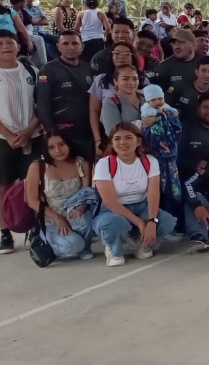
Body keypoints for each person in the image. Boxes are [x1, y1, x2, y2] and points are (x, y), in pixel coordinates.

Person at [0, 29, 42, 254]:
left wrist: (29, 130)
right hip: (0, 138)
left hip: (32, 136)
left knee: (34, 184)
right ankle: (5, 234)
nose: (6, 46)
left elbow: (40, 106)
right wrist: (8, 134)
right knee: (3, 185)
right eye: (0, 43)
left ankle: (36, 230)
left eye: (10, 42)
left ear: (18, 46)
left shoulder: (32, 71)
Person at [91, 123, 178, 266]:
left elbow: (153, 193)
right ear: (111, 143)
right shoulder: (104, 164)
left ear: (138, 141)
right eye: (117, 139)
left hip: (141, 207)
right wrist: (139, 222)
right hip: (112, 210)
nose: (122, 142)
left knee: (167, 221)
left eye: (128, 137)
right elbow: (109, 202)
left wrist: (152, 221)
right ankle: (112, 246)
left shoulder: (150, 161)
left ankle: (139, 241)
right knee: (113, 224)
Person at [25, 133, 97, 260]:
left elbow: (86, 192)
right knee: (74, 245)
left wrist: (81, 207)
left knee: (87, 217)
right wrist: (57, 218)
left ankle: (85, 247)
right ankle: (44, 242)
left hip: (75, 216)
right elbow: (32, 200)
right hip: (50, 221)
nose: (58, 150)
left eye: (61, 144)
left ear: (69, 144)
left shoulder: (81, 163)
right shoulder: (38, 167)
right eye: (51, 147)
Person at [36, 30, 95, 160]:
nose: (71, 47)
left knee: (86, 168)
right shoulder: (48, 69)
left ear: (82, 46)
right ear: (58, 46)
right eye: (65, 43)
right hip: (63, 136)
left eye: (75, 43)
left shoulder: (87, 68)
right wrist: (52, 133)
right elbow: (42, 103)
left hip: (87, 133)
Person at [89, 43, 143, 152]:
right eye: (117, 53)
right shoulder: (109, 99)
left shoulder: (144, 95)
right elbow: (95, 111)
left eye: (134, 79)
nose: (131, 83)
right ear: (116, 82)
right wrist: (97, 140)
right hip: (122, 150)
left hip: (146, 150)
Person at [139, 84, 183, 212]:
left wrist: (169, 113)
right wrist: (159, 115)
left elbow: (174, 116)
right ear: (148, 100)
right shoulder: (146, 108)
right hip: (154, 154)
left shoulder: (165, 107)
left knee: (172, 183)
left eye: (160, 98)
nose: (158, 102)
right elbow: (147, 119)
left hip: (170, 154)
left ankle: (174, 209)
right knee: (157, 183)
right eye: (153, 100)